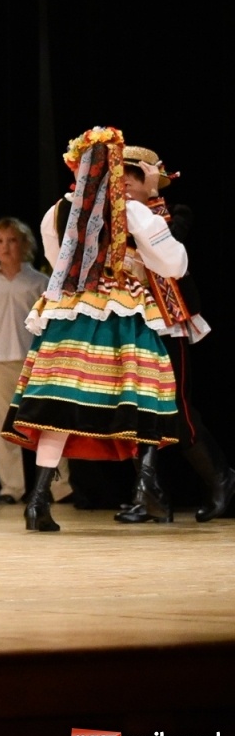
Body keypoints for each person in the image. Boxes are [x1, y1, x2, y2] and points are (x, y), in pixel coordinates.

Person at [1, 127, 186, 532]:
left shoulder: (57, 211)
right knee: (145, 395)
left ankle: (37, 502)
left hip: (68, 311)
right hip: (121, 312)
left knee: (58, 403)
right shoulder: (130, 210)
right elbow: (174, 264)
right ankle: (147, 487)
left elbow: (57, 261)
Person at [113, 144, 234, 523]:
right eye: (121, 181)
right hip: (132, 322)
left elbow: (169, 254)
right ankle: (151, 497)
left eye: (132, 179)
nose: (126, 187)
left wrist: (145, 195)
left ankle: (222, 478)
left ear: (148, 181)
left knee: (178, 411)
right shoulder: (115, 226)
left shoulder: (171, 215)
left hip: (168, 324)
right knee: (135, 409)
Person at [0, 217, 62, 504]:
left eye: (13, 240)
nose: (6, 247)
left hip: (33, 362)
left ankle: (59, 486)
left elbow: (50, 324)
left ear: (25, 244)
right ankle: (11, 488)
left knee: (47, 424)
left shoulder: (39, 281)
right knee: (3, 428)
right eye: (0, 241)